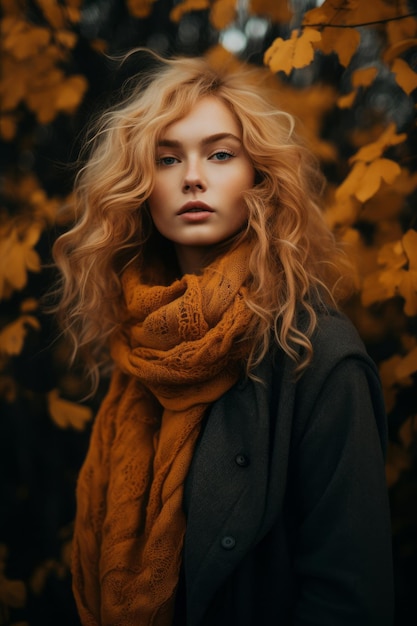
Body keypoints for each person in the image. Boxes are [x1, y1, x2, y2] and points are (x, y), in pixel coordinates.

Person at [52, 51, 394, 626]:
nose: (192, 176)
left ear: (258, 176)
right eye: (166, 159)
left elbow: (349, 597)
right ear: (141, 186)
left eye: (219, 154)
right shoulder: (140, 347)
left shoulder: (316, 354)